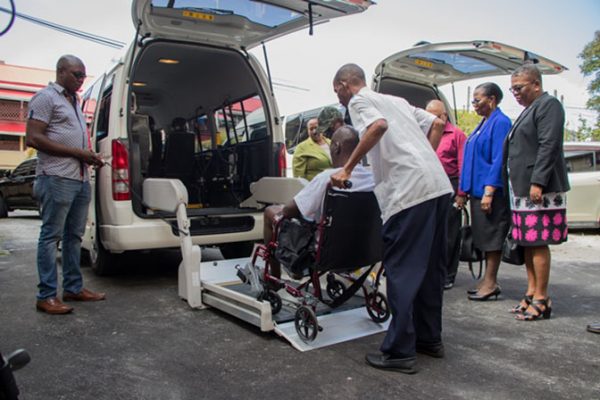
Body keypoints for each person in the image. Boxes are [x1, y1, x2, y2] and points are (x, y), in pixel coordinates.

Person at [329, 63, 452, 374]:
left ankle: (399, 352)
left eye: (337, 93)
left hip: (408, 193)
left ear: (346, 84)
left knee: (403, 270)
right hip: (437, 187)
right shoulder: (396, 101)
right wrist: (423, 160)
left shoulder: (359, 101)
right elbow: (437, 124)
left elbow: (378, 126)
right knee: (430, 270)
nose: (340, 100)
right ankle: (429, 339)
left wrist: (347, 168)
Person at [26, 55, 106, 315]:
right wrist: (77, 154)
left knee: (74, 237)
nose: (82, 79)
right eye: (76, 74)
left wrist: (89, 156)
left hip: (80, 178)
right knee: (51, 237)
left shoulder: (75, 101)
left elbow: (75, 140)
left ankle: (73, 287)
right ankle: (46, 295)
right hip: (56, 177)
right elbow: (34, 138)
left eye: (83, 75)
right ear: (61, 72)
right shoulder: (46, 98)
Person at [264, 126, 374, 279]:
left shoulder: (328, 178)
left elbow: (289, 211)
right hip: (363, 252)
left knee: (271, 212)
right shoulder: (372, 179)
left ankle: (274, 278)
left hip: (325, 252)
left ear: (336, 147)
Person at [505, 64, 570, 321]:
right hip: (522, 188)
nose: (515, 93)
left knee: (539, 240)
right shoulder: (528, 110)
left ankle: (542, 298)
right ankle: (531, 292)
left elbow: (549, 144)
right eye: (512, 89)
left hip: (540, 188)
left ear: (536, 84)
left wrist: (538, 182)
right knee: (528, 242)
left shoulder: (549, 105)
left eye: (519, 88)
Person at [458, 82, 512, 301]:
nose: (474, 105)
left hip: (490, 192)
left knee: (492, 237)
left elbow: (499, 158)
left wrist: (489, 190)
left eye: (477, 100)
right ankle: (487, 280)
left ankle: (491, 282)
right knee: (482, 236)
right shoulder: (483, 123)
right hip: (477, 191)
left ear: (491, 99)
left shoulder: (500, 122)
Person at [425, 100, 467, 290]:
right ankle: (432, 271)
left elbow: (463, 165)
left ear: (444, 116)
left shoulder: (456, 135)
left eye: (435, 115)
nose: (431, 119)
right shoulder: (424, 133)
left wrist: (461, 194)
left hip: (450, 184)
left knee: (449, 233)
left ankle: (448, 274)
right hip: (429, 185)